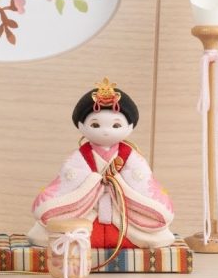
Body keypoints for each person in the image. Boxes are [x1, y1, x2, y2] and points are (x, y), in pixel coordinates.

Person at [28, 78, 175, 249]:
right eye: (95, 124)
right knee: (47, 233)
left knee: (155, 234)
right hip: (88, 209)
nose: (105, 131)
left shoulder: (131, 156)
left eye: (116, 125)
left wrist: (117, 182)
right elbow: (69, 178)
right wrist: (93, 182)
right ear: (81, 125)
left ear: (130, 127)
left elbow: (141, 178)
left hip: (123, 209)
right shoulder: (80, 156)